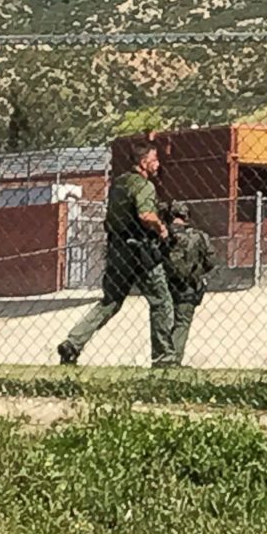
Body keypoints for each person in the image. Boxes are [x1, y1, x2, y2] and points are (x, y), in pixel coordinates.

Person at [56, 141, 176, 367]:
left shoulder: (118, 183)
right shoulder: (144, 186)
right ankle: (164, 357)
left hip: (116, 250)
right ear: (143, 162)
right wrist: (161, 228)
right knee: (161, 301)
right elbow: (146, 215)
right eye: (155, 159)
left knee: (110, 301)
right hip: (141, 252)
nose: (158, 164)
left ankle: (73, 343)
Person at [161, 201, 217, 365]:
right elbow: (211, 260)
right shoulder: (199, 237)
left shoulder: (162, 234)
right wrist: (197, 272)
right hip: (189, 285)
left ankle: (161, 357)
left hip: (165, 284)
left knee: (162, 321)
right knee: (182, 323)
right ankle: (174, 359)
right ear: (186, 217)